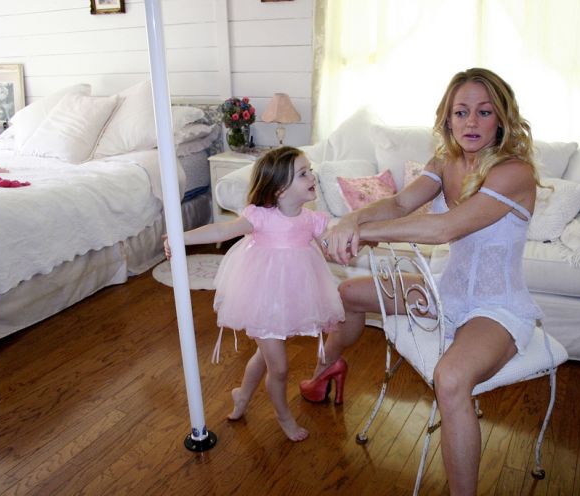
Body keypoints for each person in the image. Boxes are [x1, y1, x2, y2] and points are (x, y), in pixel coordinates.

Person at [300, 68, 543, 494]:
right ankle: (325, 370)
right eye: (461, 112)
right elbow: (399, 204)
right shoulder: (445, 163)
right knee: (348, 293)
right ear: (448, 118)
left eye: (484, 112)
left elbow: (444, 228)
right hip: (445, 292)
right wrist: (352, 219)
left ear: (501, 119)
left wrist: (361, 232)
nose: (471, 122)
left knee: (450, 379)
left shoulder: (514, 172)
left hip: (497, 308)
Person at [164, 146, 344, 442]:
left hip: (290, 299)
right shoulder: (260, 216)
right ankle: (283, 416)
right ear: (279, 189)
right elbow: (221, 231)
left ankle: (242, 395)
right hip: (261, 298)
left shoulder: (312, 219)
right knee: (279, 367)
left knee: (265, 354)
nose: (312, 177)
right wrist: (179, 238)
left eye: (310, 170)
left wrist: (345, 246)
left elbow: (330, 246)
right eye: (303, 173)